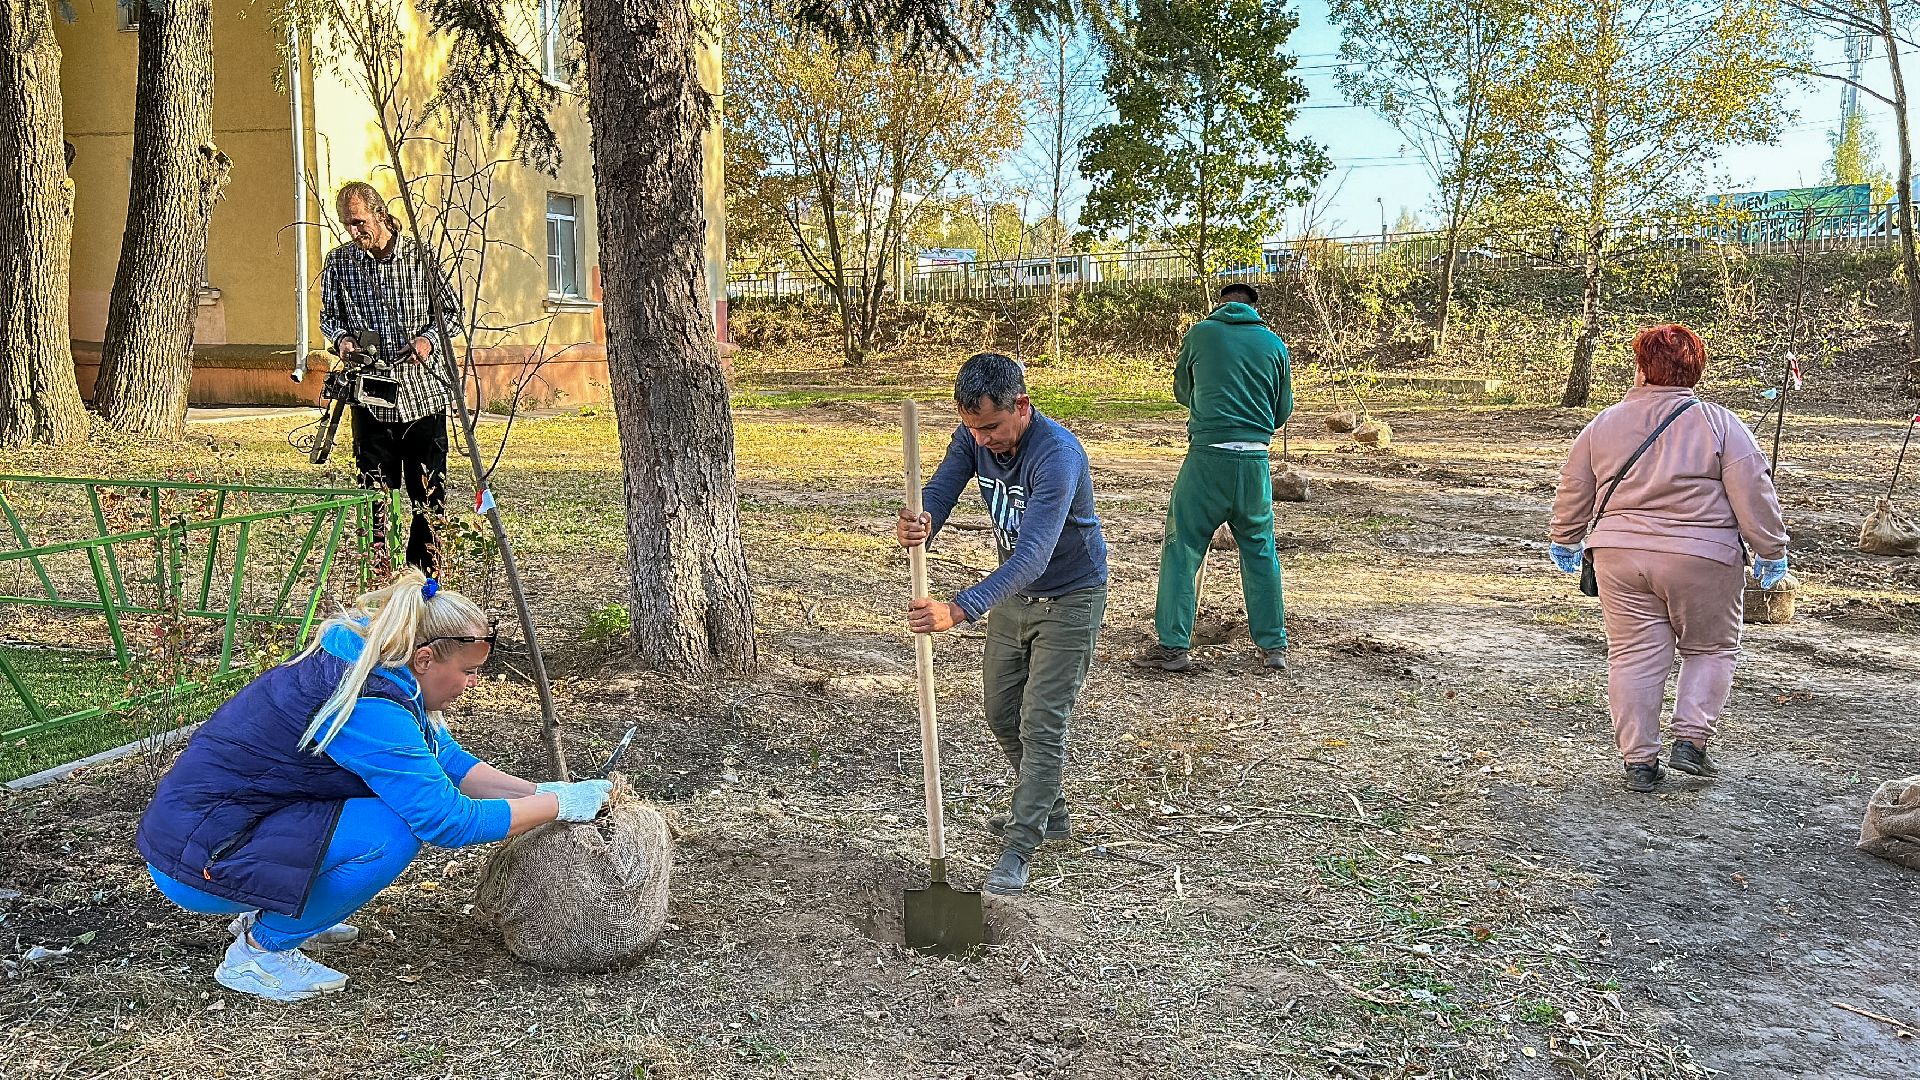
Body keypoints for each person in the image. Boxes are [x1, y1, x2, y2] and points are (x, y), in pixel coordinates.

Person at [135, 570, 612, 1002]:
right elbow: (447, 821)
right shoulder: (369, 705)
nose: (471, 683)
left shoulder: (373, 665)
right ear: (424, 658)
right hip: (200, 862)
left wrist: (533, 791)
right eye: (467, 671)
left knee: (391, 806)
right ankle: (260, 952)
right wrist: (558, 806)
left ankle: (295, 915)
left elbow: (441, 759)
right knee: (394, 832)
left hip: (213, 834)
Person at [895, 353, 1109, 897]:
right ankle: (1050, 811)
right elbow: (940, 491)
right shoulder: (973, 438)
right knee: (1000, 712)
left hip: (1070, 595)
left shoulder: (1056, 456)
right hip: (1015, 595)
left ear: (1022, 405)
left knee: (1042, 724)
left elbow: (1035, 553)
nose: (983, 439)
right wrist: (925, 521)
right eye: (973, 428)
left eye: (991, 427)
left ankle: (1021, 846)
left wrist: (961, 608)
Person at [1548, 323, 1789, 793]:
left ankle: (1639, 762)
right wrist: (1770, 549)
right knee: (1710, 648)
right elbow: (1753, 490)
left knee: (1633, 657)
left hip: (1618, 555)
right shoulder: (1720, 423)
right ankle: (1691, 743)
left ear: (1641, 367)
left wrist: (1566, 537)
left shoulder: (1603, 423)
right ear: (1697, 369)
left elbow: (1575, 485)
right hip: (1703, 558)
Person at [1133, 281, 1295, 673]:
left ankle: (1174, 646)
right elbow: (1283, 408)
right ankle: (1273, 648)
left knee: (1184, 545)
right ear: (1255, 307)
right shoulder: (1275, 345)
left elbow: (1182, 390)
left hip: (1207, 458)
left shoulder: (1200, 334)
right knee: (1260, 549)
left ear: (1219, 305)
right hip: (1255, 462)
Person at [318, 180, 463, 575]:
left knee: (428, 500)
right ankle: (379, 583)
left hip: (424, 398)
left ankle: (424, 586)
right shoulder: (339, 263)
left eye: (360, 222)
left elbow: (452, 314)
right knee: (374, 502)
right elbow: (329, 318)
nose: (354, 231)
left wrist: (427, 342)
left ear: (380, 215)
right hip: (372, 399)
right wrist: (343, 339)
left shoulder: (421, 257)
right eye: (347, 224)